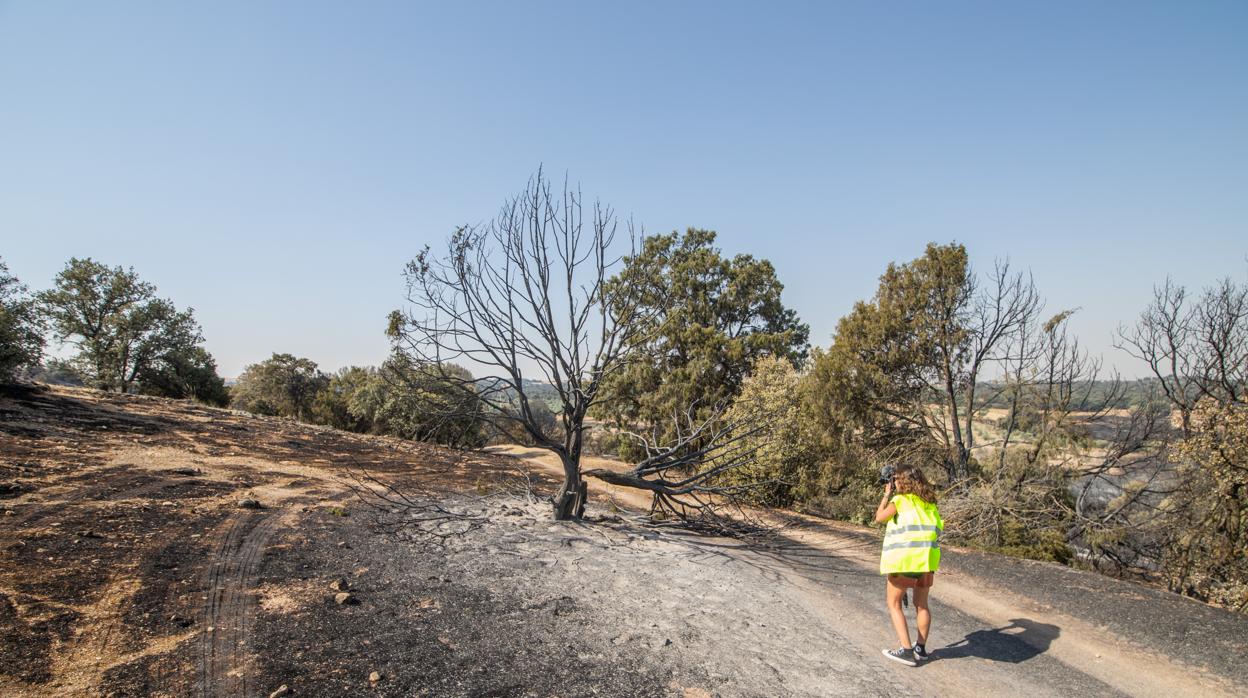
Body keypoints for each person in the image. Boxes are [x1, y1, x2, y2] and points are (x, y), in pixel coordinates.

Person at [874, 462, 943, 667]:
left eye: (895, 480)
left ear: (901, 481)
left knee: (894, 604)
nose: (893, 483)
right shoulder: (930, 504)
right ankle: (920, 649)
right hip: (927, 562)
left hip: (904, 561)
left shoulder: (900, 501)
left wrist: (887, 494)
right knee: (922, 605)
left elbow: (879, 518)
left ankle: (905, 650)